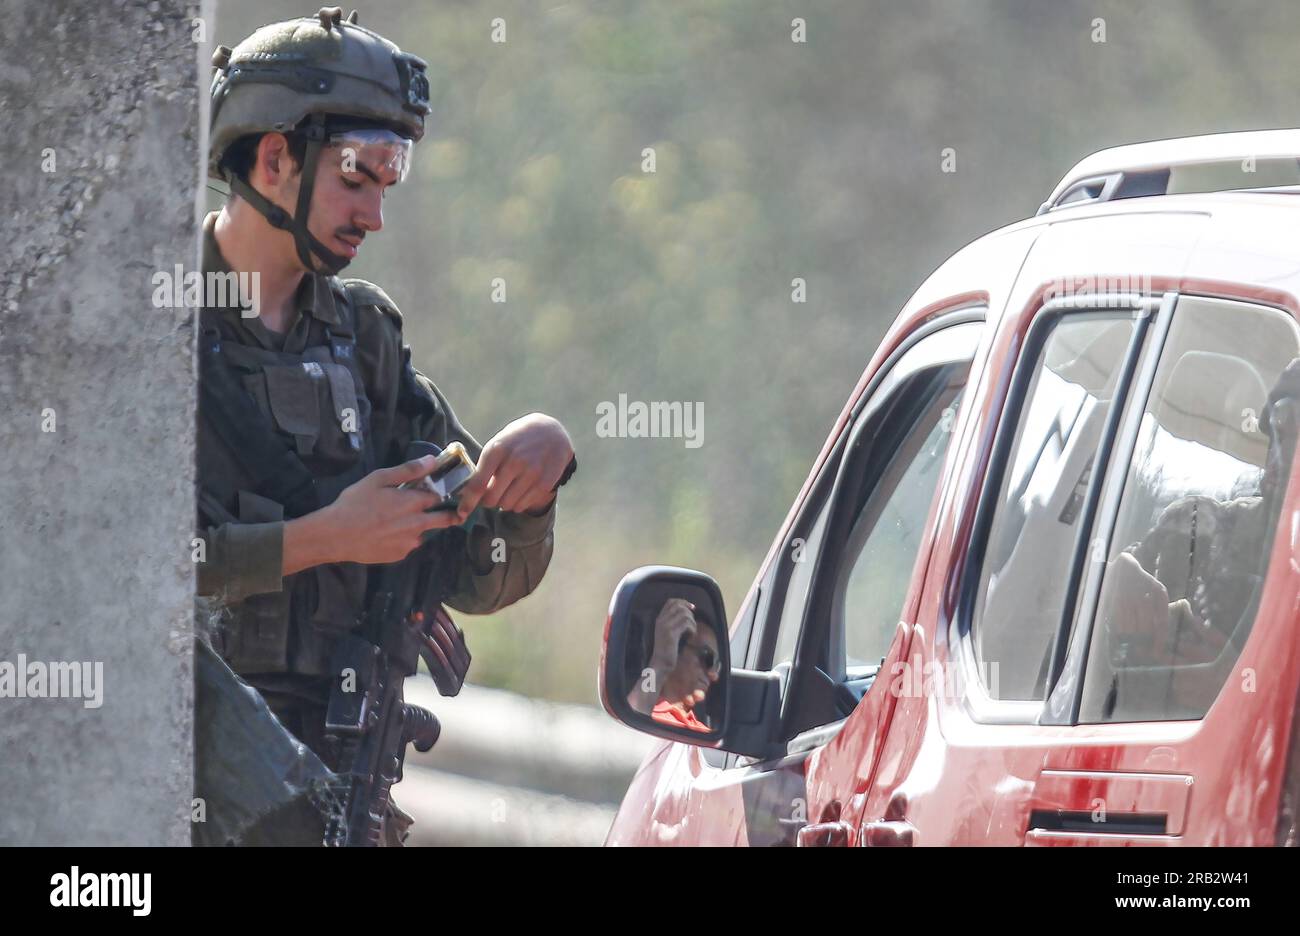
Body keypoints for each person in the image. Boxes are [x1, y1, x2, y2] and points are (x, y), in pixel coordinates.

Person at [194, 7, 576, 845]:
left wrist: (533, 482)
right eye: (355, 175)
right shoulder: (156, 332)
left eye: (387, 180)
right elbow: (122, 580)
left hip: (340, 779)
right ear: (273, 156)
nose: (373, 213)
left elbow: (478, 574)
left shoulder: (364, 342)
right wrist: (323, 537)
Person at [626, 598, 721, 732]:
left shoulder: (704, 733)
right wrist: (660, 663)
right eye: (708, 658)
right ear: (675, 650)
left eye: (717, 664)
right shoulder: (646, 713)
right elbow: (631, 726)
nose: (714, 675)